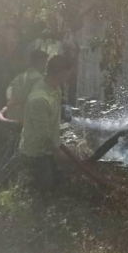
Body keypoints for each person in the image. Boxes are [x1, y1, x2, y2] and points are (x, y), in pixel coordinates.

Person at [19, 54, 75, 195]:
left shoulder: (54, 88)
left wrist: (62, 110)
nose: (70, 76)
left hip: (48, 148)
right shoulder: (39, 99)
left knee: (56, 184)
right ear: (61, 73)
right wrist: (59, 153)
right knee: (44, 189)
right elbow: (43, 136)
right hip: (36, 153)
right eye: (69, 73)